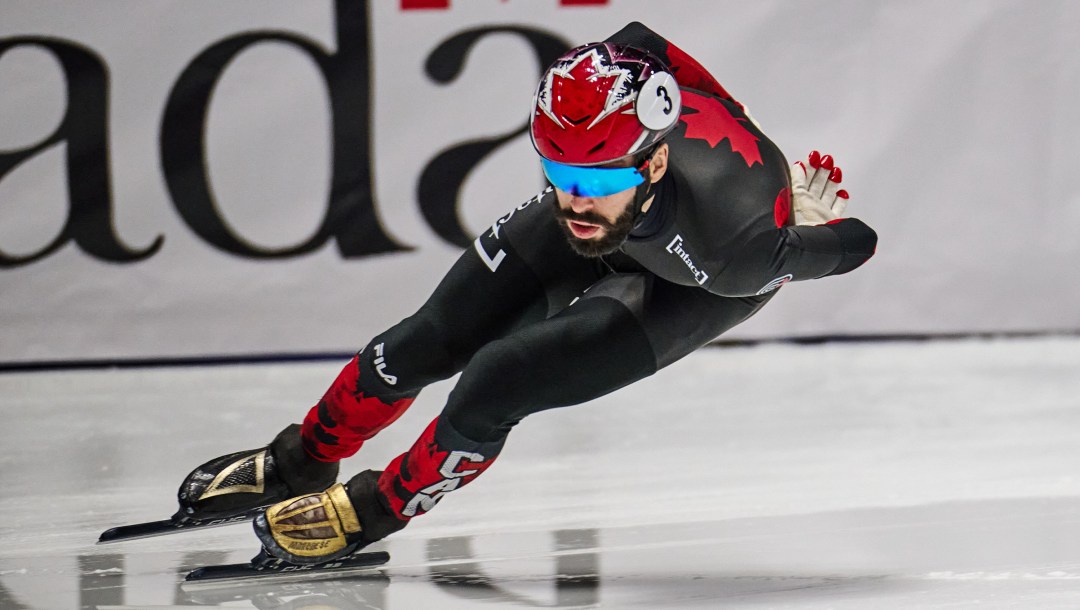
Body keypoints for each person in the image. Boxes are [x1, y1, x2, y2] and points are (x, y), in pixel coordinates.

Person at [176, 21, 877, 565]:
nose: (574, 199)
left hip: (697, 277)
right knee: (419, 343)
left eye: (597, 180)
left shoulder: (739, 251)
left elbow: (859, 243)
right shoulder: (596, 166)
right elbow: (641, 41)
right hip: (644, 223)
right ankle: (302, 457)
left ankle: (374, 508)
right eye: (555, 170)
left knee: (495, 381)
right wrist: (725, 104)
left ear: (656, 158)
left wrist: (809, 234)